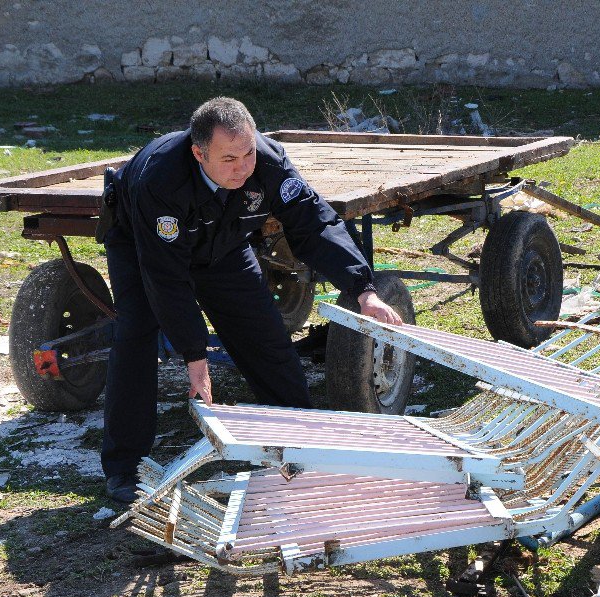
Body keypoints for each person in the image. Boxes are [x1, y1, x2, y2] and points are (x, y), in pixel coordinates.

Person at [101, 96, 402, 503]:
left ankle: (299, 447)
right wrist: (195, 357)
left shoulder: (267, 160)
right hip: (145, 249)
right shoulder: (162, 179)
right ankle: (125, 467)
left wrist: (363, 290)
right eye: (229, 159)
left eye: (247, 154)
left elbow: (314, 222)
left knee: (265, 336)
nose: (243, 168)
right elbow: (166, 279)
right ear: (198, 152)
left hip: (222, 245)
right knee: (136, 335)